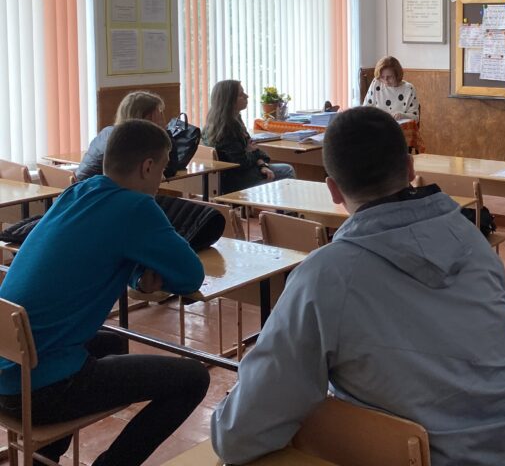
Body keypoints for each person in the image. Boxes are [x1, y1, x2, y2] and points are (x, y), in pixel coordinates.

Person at [210, 106, 505, 466]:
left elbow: (238, 435)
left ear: (333, 190)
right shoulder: (474, 241)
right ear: (410, 168)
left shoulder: (327, 276)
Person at [0, 120, 209, 466]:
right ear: (147, 166)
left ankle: (41, 460)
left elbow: (108, 248)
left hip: (9, 371)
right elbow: (191, 276)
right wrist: (150, 274)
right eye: (163, 168)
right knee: (193, 378)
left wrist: (139, 278)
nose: (163, 178)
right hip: (39, 392)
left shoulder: (78, 192)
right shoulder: (137, 207)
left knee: (112, 344)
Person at [203, 80, 296, 194]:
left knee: (283, 168)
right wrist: (252, 153)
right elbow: (242, 162)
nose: (247, 96)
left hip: (238, 174)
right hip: (235, 180)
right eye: (241, 94)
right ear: (229, 101)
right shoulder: (228, 128)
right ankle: (284, 206)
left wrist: (262, 164)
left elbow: (253, 148)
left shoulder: (230, 120)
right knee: (287, 170)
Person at [76, 90, 165, 180]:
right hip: (94, 188)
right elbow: (140, 178)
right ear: (144, 118)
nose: (161, 119)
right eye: (158, 114)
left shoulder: (109, 132)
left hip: (82, 186)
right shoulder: (126, 142)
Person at [362, 56, 420, 122]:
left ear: (397, 75)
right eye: (382, 77)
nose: (385, 81)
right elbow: (365, 109)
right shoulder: (376, 82)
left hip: (399, 127)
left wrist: (403, 115)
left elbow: (416, 118)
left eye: (389, 77)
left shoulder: (409, 89)